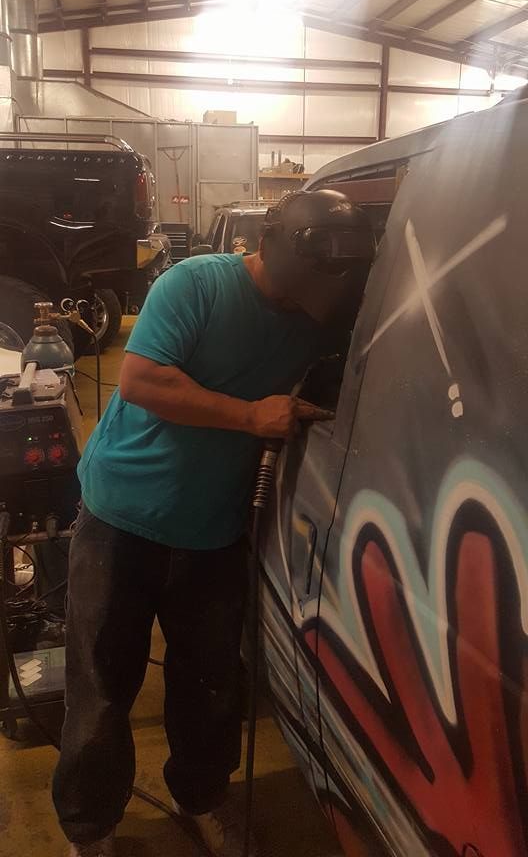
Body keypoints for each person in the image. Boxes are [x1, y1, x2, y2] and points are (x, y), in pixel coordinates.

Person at [53, 189, 373, 857]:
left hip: (212, 532)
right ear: (276, 251)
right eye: (296, 294)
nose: (299, 311)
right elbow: (141, 380)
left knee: (209, 687)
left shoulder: (317, 314)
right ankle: (93, 828)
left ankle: (200, 798)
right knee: (103, 688)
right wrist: (250, 416)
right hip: (123, 520)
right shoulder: (194, 284)